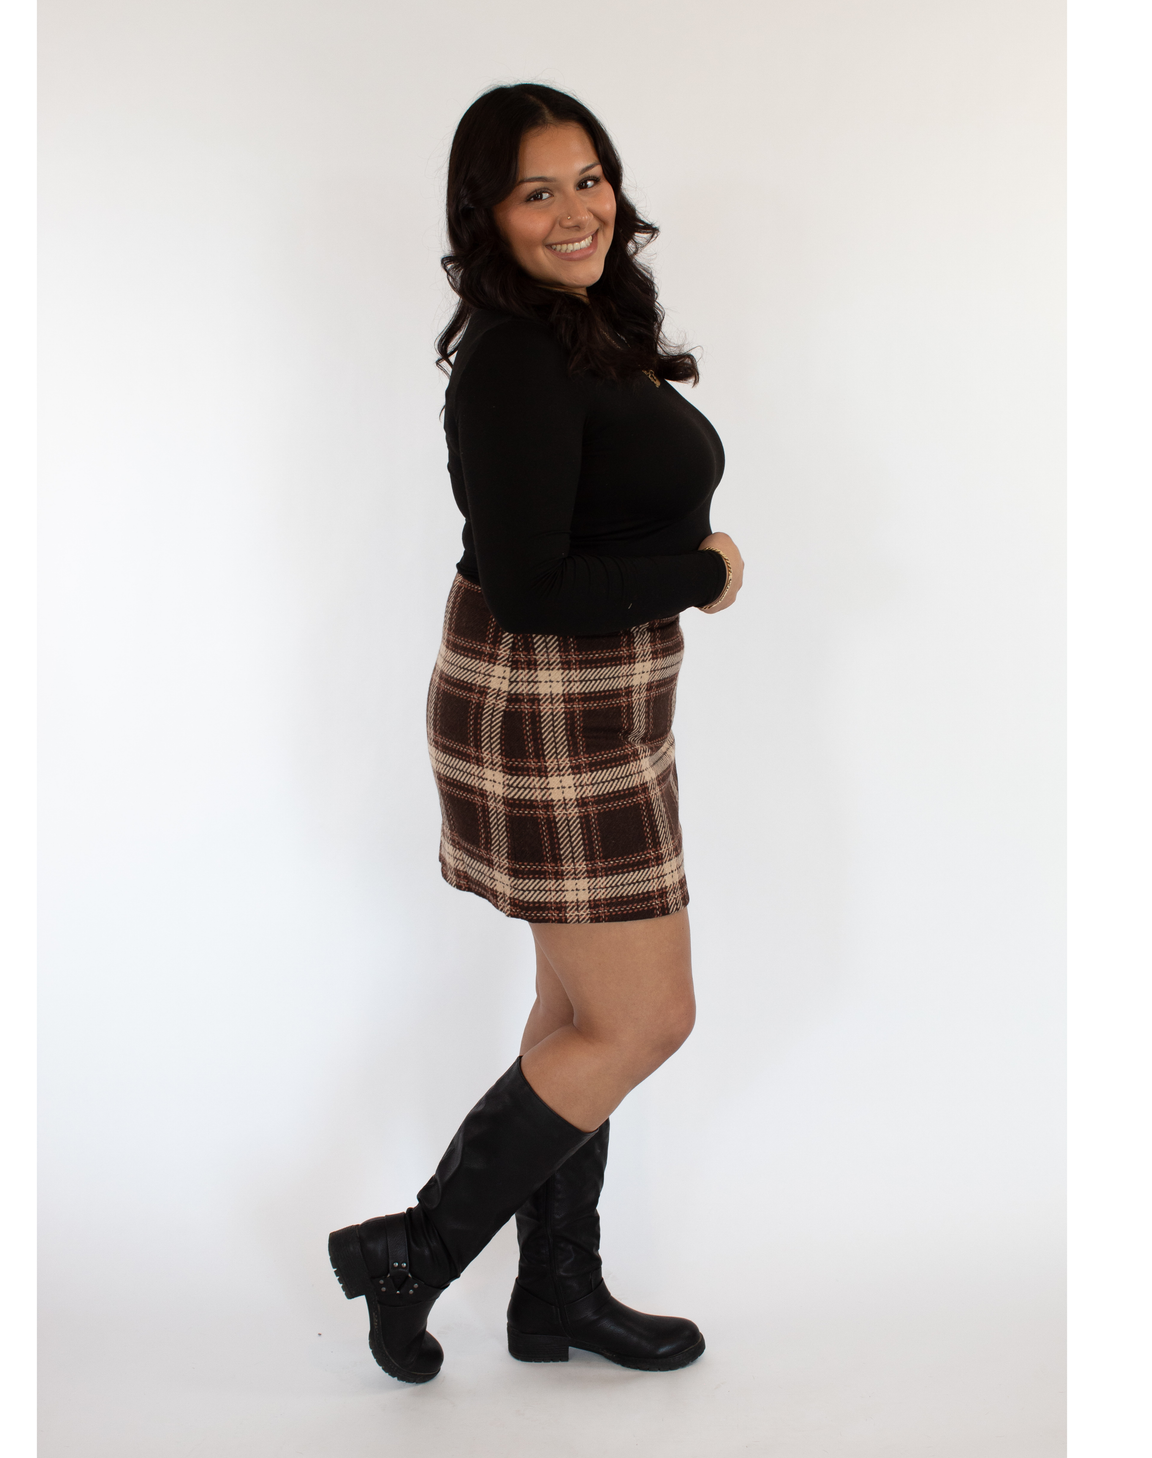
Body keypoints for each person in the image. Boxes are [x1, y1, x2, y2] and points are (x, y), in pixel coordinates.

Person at [328, 83, 744, 1384]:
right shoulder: (515, 358)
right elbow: (532, 590)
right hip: (546, 708)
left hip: (602, 703)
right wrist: (703, 572)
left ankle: (556, 1290)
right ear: (487, 217)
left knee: (578, 1007)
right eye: (536, 192)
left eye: (588, 179)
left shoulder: (582, 328)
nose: (576, 212)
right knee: (645, 1016)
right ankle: (418, 1249)